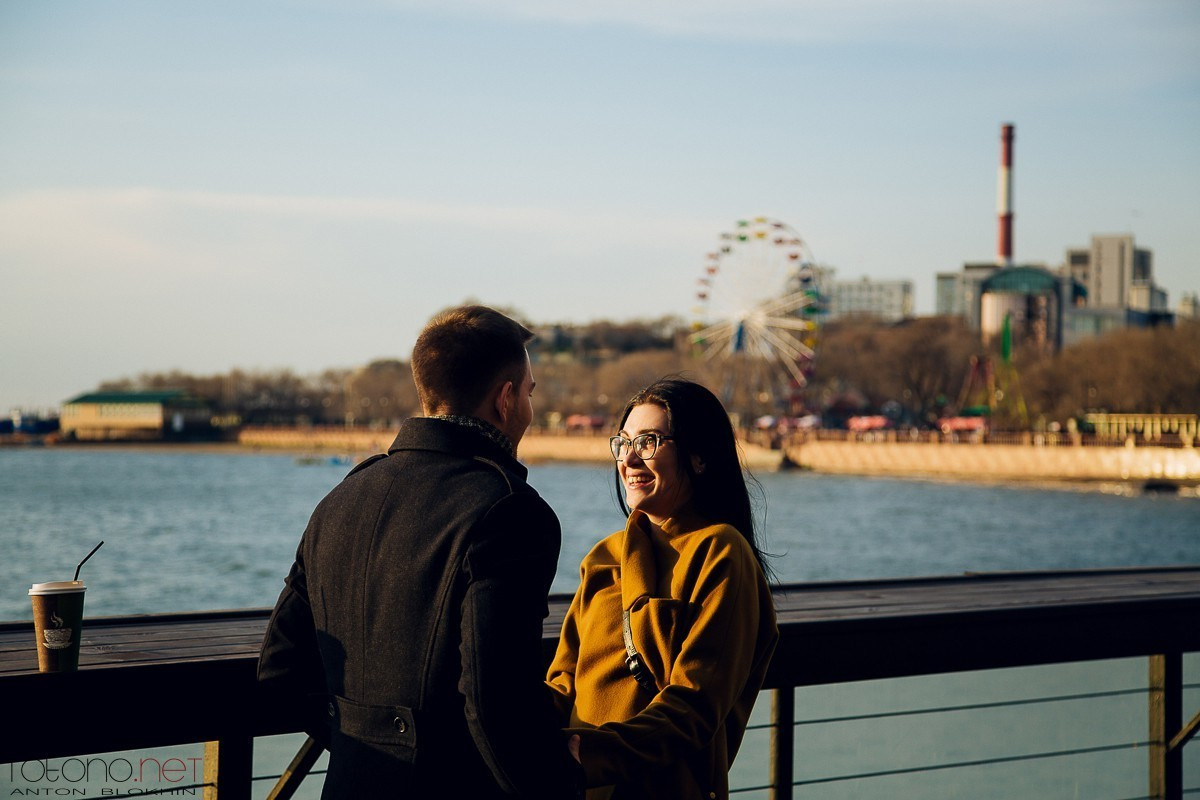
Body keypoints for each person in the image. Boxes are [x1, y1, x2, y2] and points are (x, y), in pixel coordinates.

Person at [258, 305, 582, 799]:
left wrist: (363, 745)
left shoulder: (341, 498)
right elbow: (495, 700)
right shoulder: (510, 511)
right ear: (507, 397)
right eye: (530, 393)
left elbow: (279, 671)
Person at [546, 377, 779, 800]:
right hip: (576, 784)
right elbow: (563, 682)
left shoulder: (720, 551)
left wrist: (591, 754)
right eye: (623, 443)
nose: (629, 459)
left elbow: (696, 705)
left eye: (649, 442)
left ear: (699, 457)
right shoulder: (604, 557)